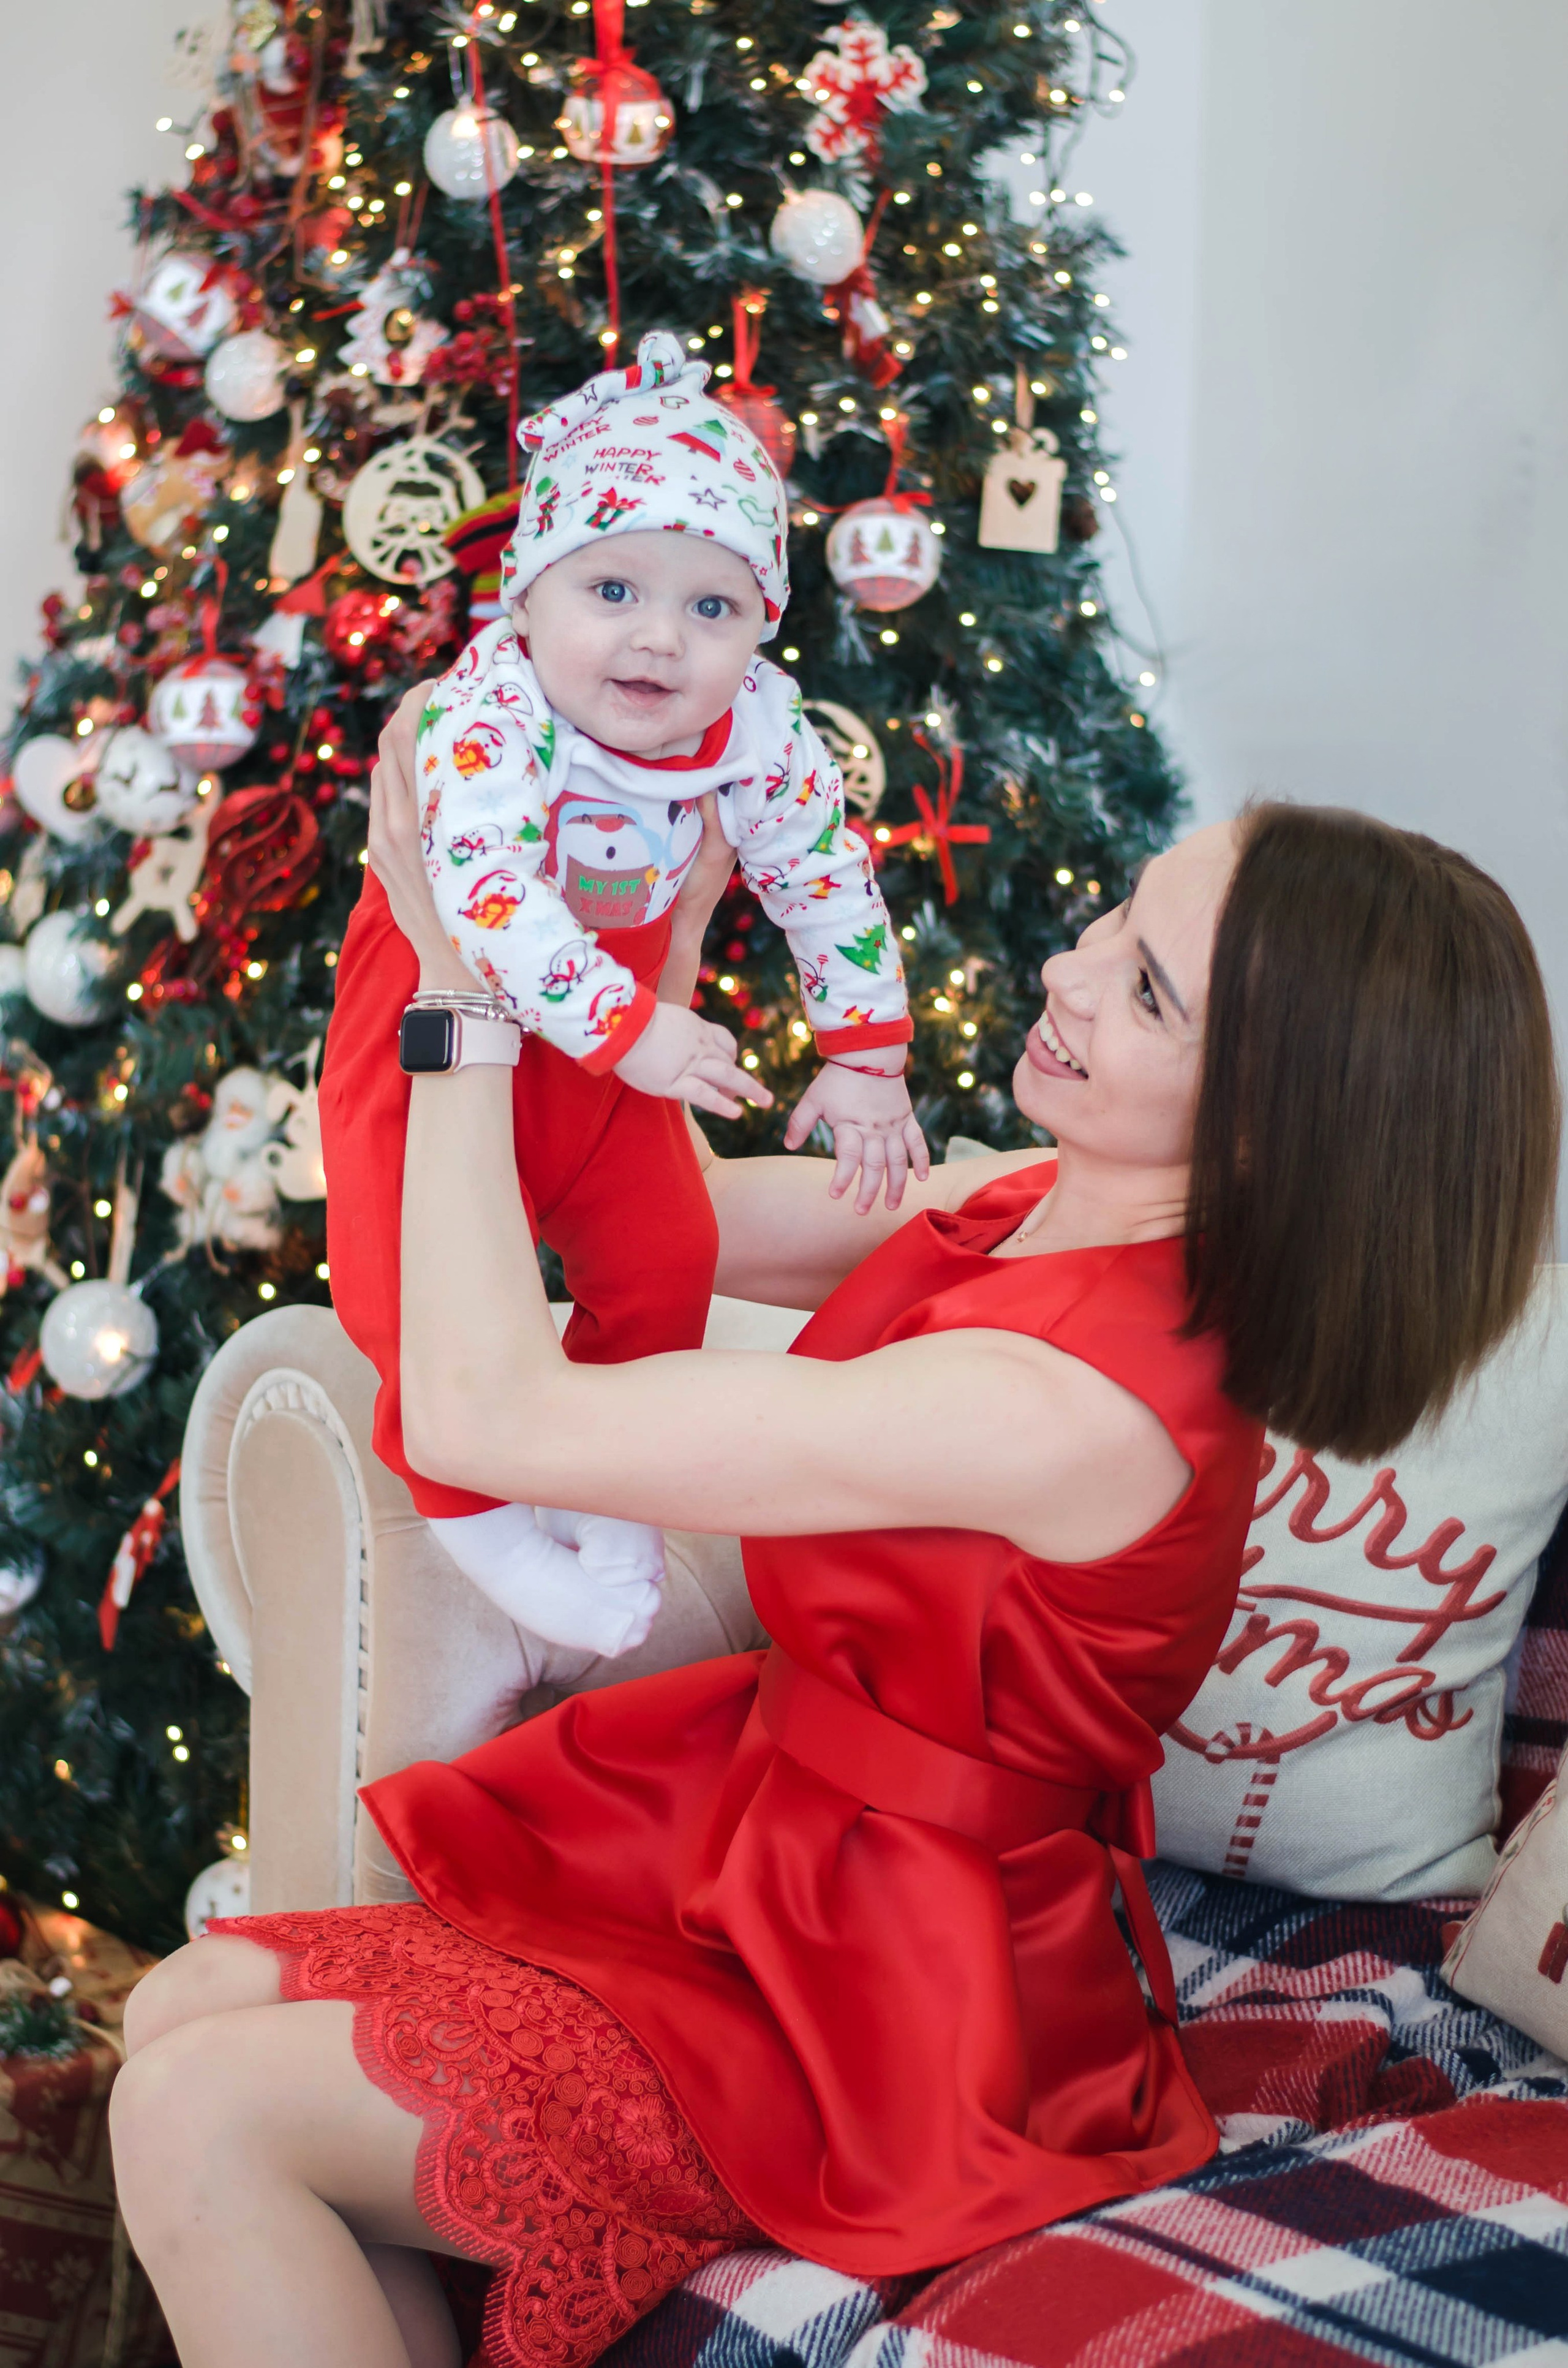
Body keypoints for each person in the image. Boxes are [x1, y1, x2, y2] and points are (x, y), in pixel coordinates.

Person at [110, 725, 1559, 2368]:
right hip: (764, 1850)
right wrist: (601, 963)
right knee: (177, 2013)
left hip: (895, 1997)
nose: (1067, 971)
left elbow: (474, 1411)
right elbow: (650, 1213)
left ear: (1270, 1131)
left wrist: (468, 999)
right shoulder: (1033, 1195)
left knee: (205, 2115)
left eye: (1150, 993)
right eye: (1118, 923)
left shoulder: (1068, 1407)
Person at [320, 330, 921, 1671]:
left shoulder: (757, 727)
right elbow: (479, 898)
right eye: (611, 587)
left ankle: (601, 1477)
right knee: (398, 1283)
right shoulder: (487, 709)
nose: (660, 637)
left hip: (613, 1041)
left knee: (665, 1255)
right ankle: (470, 1509)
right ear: (529, 597)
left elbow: (825, 870)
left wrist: (866, 1051)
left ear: (758, 631)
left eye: (713, 607)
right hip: (439, 1012)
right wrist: (635, 1029)